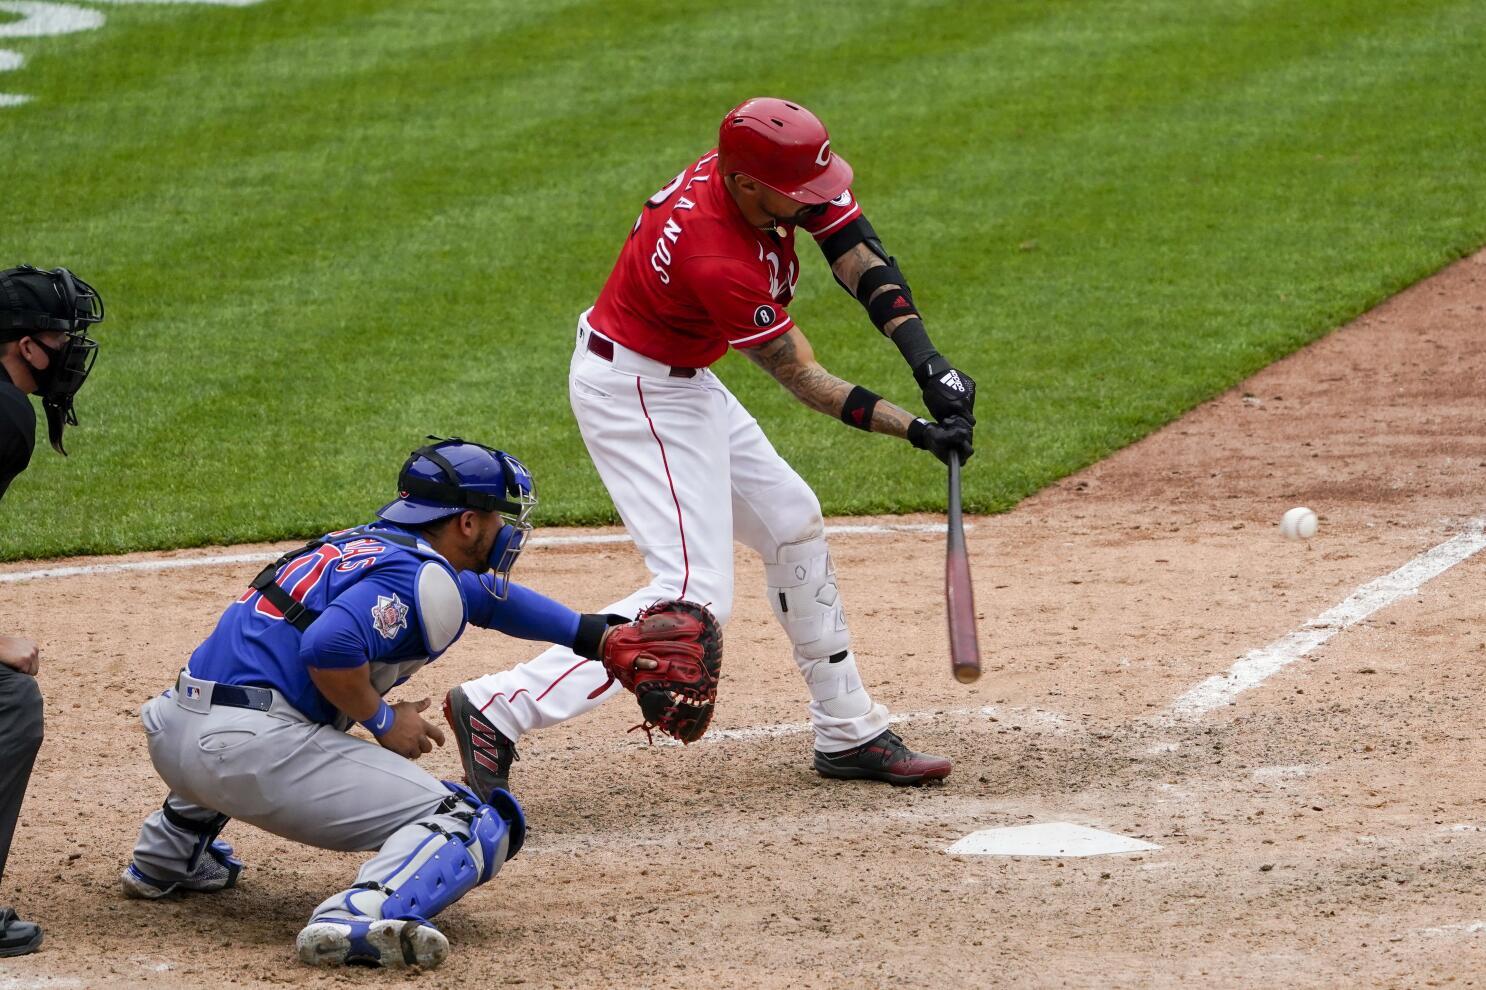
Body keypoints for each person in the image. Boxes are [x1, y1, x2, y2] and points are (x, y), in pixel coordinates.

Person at [445, 98, 976, 793]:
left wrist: (927, 361)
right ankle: (498, 705)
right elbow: (803, 376)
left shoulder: (768, 177)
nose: (815, 197)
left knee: (792, 522)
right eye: (800, 192)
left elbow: (856, 252)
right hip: (635, 392)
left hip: (681, 378)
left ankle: (848, 730)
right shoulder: (713, 254)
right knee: (691, 600)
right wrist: (916, 429)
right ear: (747, 184)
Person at [119, 439, 635, 970]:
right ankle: (357, 915)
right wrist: (385, 720)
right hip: (245, 752)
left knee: (267, 709)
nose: (509, 532)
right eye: (500, 517)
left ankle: (166, 858)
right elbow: (327, 646)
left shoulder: (366, 546)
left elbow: (479, 596)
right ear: (465, 523)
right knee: (466, 820)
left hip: (177, 735)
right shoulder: (413, 576)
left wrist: (594, 637)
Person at [0, 263, 104, 957]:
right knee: (10, 704)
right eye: (62, 336)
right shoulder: (3, 418)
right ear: (22, 346)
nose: (72, 351)